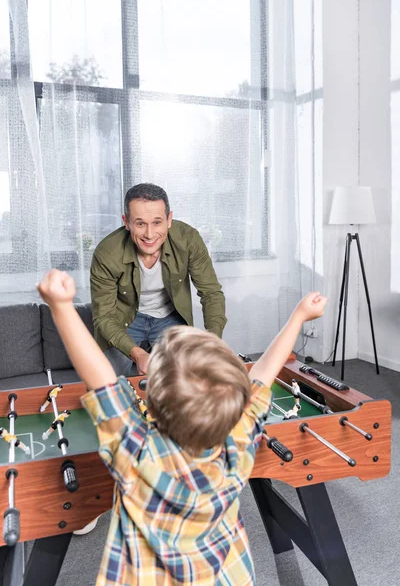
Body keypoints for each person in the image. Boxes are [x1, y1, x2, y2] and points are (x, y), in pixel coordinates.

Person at [37, 269, 327, 586]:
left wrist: (61, 307)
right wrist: (299, 317)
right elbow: (263, 374)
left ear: (152, 400)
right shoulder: (239, 439)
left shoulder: (137, 453)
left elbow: (101, 380)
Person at [90, 183, 227, 376]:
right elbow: (103, 317)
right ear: (126, 222)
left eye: (157, 222)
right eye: (140, 223)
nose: (149, 234)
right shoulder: (107, 253)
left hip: (169, 318)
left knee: (184, 379)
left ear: (169, 219)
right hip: (124, 320)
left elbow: (211, 293)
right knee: (103, 380)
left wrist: (212, 341)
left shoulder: (188, 240)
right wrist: (138, 354)